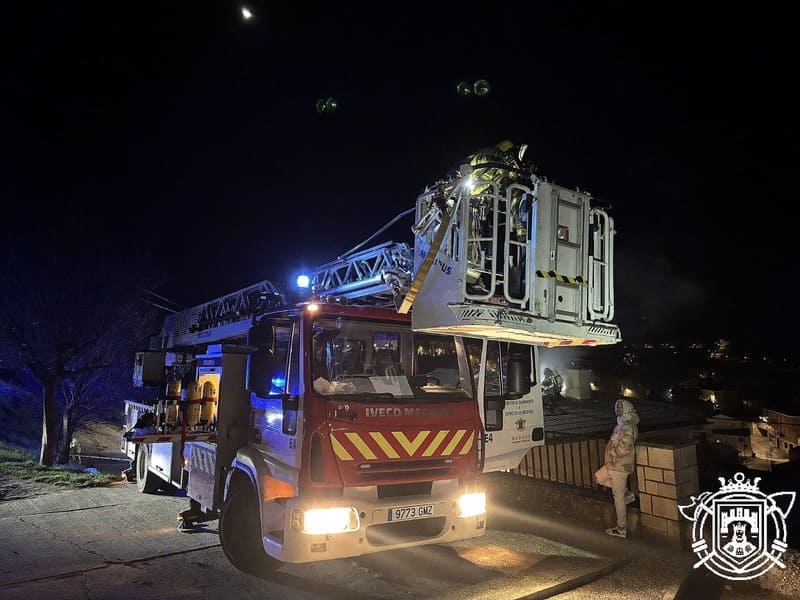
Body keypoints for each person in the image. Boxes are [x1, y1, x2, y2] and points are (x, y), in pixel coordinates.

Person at [604, 398, 640, 538]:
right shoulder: (623, 423)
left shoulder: (627, 426)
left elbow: (624, 447)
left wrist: (612, 453)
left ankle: (621, 528)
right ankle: (628, 495)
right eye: (616, 406)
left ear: (626, 408)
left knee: (617, 497)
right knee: (614, 489)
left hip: (619, 465)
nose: (617, 409)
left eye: (620, 407)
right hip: (616, 465)